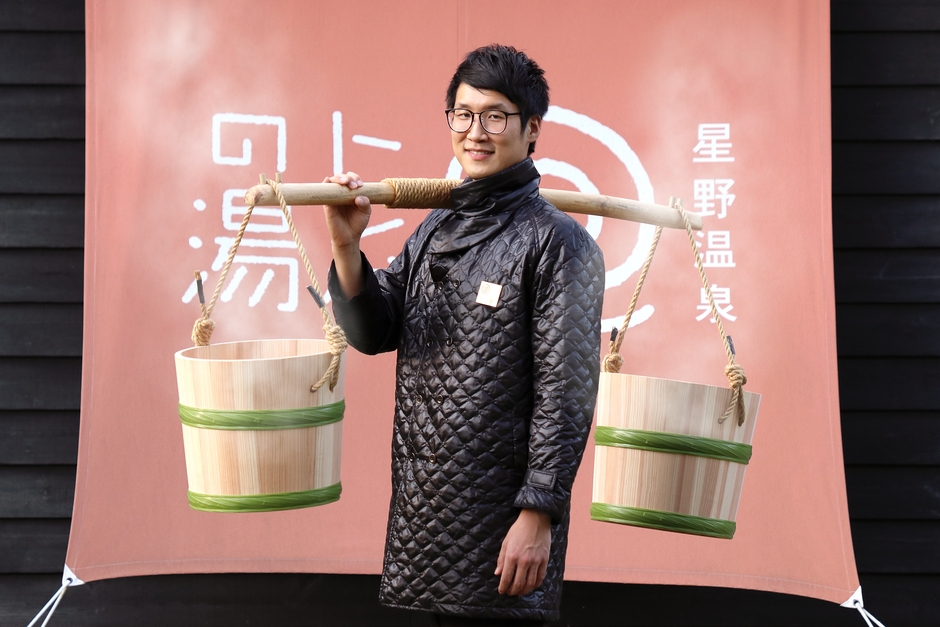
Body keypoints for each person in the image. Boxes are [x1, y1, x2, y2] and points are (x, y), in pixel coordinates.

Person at [324, 44, 605, 625]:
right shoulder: (437, 226)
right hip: (425, 514)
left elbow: (566, 395)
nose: (476, 132)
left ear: (532, 129)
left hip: (505, 520)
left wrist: (538, 515)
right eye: (464, 114)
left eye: (495, 116)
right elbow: (374, 331)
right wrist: (347, 246)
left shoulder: (559, 243)